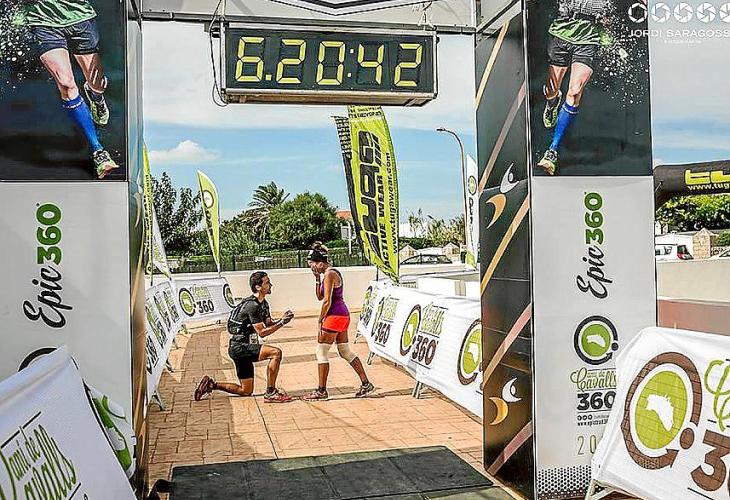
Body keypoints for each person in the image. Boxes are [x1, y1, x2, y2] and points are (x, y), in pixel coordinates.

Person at [14, 0, 119, 178]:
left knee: (97, 83)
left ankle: (96, 96)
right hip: (43, 21)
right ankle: (98, 151)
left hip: (79, 18)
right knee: (66, 84)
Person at [536, 0, 632, 175]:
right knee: (551, 90)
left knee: (574, 92)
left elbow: (607, 18)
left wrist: (613, 43)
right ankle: (552, 102)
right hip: (561, 34)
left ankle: (552, 150)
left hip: (588, 40)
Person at [194, 272, 294, 403]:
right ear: (258, 287)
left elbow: (269, 324)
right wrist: (282, 323)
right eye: (267, 282)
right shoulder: (252, 306)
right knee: (276, 353)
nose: (271, 285)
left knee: (245, 390)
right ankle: (270, 392)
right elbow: (262, 332)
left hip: (242, 347)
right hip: (241, 347)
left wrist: (282, 319)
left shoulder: (264, 304)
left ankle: (211, 385)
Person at [303, 242, 374, 401]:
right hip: (342, 316)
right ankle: (366, 383)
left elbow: (326, 301)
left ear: (320, 263)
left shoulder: (329, 274)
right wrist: (317, 279)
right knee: (345, 351)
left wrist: (320, 320)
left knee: (321, 352)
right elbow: (319, 296)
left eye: (312, 265)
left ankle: (321, 391)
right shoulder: (327, 274)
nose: (312, 268)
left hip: (334, 316)